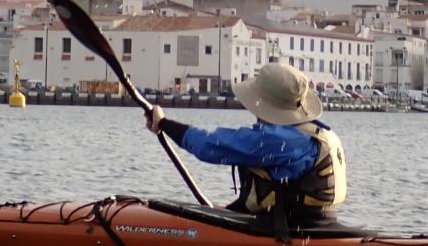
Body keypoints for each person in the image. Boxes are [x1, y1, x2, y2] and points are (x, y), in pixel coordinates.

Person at [145, 62, 347, 233]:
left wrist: (163, 123)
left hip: (288, 230)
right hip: (315, 224)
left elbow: (209, 145)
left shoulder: (278, 141)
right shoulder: (319, 134)